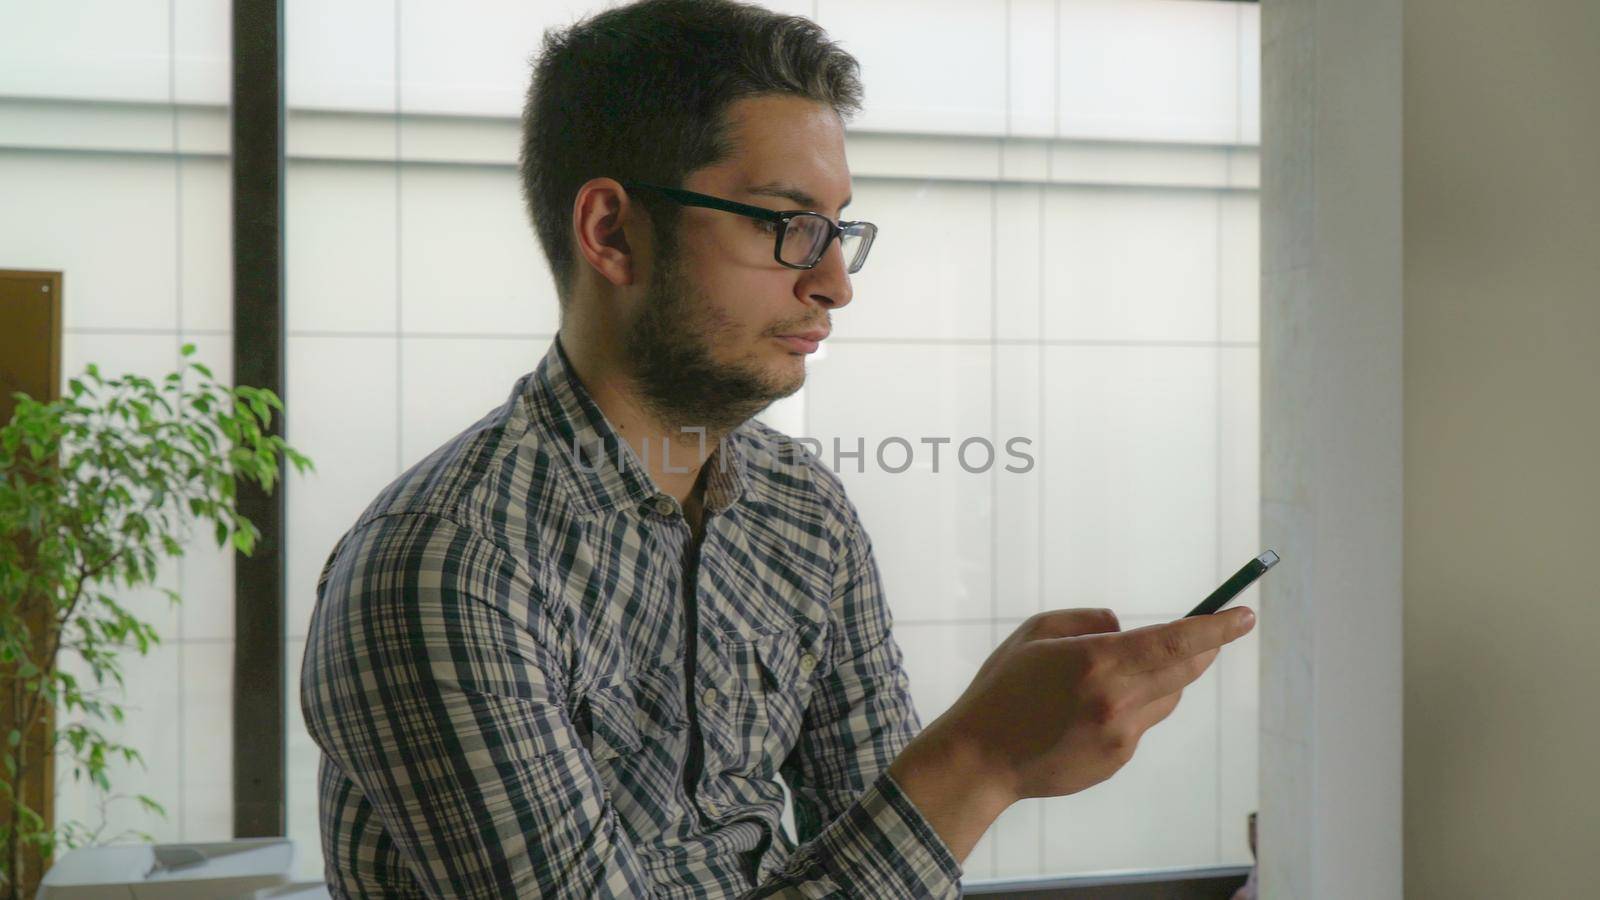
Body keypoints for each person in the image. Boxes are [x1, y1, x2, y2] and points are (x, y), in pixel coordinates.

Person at [297, 1, 1257, 897]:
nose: (837, 283)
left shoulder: (804, 514)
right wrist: (983, 756)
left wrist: (999, 731)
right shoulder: (448, 564)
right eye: (790, 226)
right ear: (612, 232)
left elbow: (882, 854)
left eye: (838, 231)